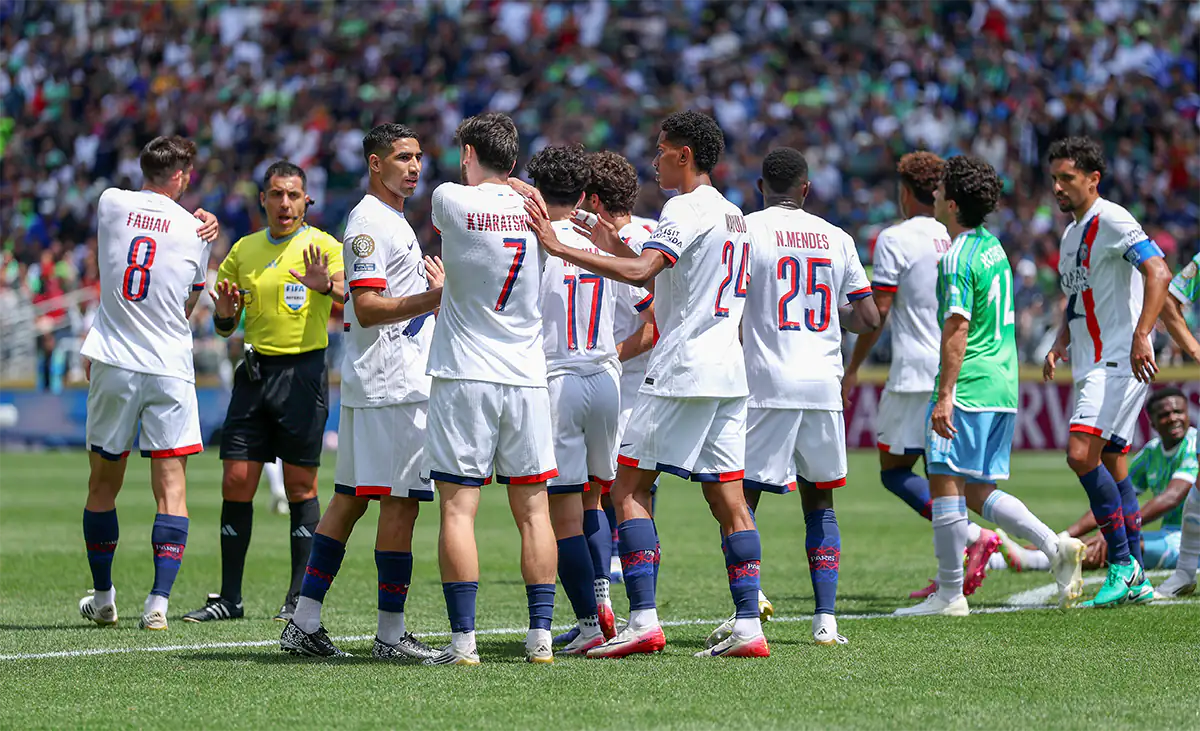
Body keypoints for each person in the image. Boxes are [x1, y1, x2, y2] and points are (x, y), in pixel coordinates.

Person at [524, 110, 767, 659]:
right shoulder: (734, 215)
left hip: (682, 367)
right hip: (729, 370)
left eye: (661, 150)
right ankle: (749, 624)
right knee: (729, 496)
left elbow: (641, 278)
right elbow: (663, 274)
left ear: (684, 154)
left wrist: (561, 247)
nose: (654, 159)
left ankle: (642, 620)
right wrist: (616, 245)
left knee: (627, 490)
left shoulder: (684, 207)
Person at [278, 124, 444, 659]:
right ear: (375, 164)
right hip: (393, 383)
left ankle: (304, 621)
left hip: (383, 380)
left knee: (350, 499)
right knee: (401, 503)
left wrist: (420, 293)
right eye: (402, 157)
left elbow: (367, 297)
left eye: (418, 157)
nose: (414, 166)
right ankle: (390, 636)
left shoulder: (390, 220)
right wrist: (436, 297)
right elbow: (371, 310)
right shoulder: (371, 222)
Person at [895, 155, 1085, 617]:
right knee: (976, 488)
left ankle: (949, 594)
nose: (933, 197)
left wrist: (945, 394)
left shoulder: (956, 255)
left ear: (953, 203)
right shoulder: (993, 248)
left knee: (942, 481)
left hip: (971, 385)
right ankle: (1054, 545)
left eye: (939, 192)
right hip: (1002, 384)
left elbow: (957, 327)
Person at [704, 147, 878, 648]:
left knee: (741, 500)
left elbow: (731, 302)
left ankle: (748, 609)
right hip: (822, 383)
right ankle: (826, 622)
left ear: (761, 187)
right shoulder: (837, 237)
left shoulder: (748, 229)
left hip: (766, 382)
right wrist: (826, 314)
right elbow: (867, 318)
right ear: (806, 189)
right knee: (819, 502)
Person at [422, 113, 559, 666]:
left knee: (458, 510)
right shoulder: (538, 211)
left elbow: (457, 206)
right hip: (526, 376)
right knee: (535, 512)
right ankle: (541, 639)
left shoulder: (450, 198)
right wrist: (521, 186)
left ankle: (464, 644)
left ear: (469, 152)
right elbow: (514, 194)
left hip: (465, 374)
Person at [184, 161, 345, 623]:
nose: (285, 204)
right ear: (263, 200)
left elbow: (356, 293)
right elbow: (224, 323)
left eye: (294, 195)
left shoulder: (322, 246)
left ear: (306, 200)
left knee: (300, 485)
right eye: (276, 195)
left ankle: (297, 598)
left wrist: (327, 287)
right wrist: (226, 315)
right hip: (253, 374)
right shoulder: (243, 249)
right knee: (235, 479)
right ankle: (229, 599)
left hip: (303, 374)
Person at [845, 152, 1004, 600]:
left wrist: (853, 367)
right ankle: (958, 563)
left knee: (894, 470)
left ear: (904, 192)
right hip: (957, 369)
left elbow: (878, 315)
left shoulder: (894, 238)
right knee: (945, 473)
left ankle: (974, 538)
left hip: (914, 373)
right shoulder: (958, 236)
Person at [78, 135, 220, 631]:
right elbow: (188, 304)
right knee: (171, 488)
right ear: (182, 176)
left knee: (103, 484)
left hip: (114, 360)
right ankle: (157, 605)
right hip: (168, 366)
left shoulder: (111, 204)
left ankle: (103, 596)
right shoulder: (198, 231)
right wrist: (205, 224)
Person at [1042, 136, 1173, 608]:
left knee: (1081, 453)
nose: (1057, 187)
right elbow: (1078, 297)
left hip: (1117, 358)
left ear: (1093, 179)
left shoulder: (1112, 218)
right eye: (1053, 178)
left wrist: (1143, 334)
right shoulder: (1070, 233)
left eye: (1067, 179)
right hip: (1090, 360)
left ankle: (1122, 564)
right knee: (1115, 460)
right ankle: (1135, 571)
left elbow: (1158, 272)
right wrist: (1059, 341)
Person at [529, 145, 634, 655]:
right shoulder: (601, 239)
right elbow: (640, 304)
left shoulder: (535, 242)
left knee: (562, 515)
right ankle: (602, 600)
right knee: (596, 497)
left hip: (559, 382)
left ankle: (589, 623)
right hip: (606, 378)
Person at [997, 388, 1197, 585]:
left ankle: (1033, 561)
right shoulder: (1151, 452)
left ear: (1188, 413)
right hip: (1170, 534)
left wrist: (1114, 531)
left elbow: (1172, 498)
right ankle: (1005, 559)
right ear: (1152, 422)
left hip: (1192, 542)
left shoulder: (1193, 445)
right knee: (1105, 538)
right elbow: (1113, 499)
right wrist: (1066, 535)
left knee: (1115, 545)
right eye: (1164, 414)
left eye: (1178, 412)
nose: (1173, 418)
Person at [581, 151, 658, 590]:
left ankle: (610, 608)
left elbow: (653, 327)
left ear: (592, 200)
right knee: (640, 499)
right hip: (652, 387)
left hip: (620, 387)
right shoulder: (657, 232)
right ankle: (635, 605)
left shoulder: (612, 244)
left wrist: (604, 355)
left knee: (604, 497)